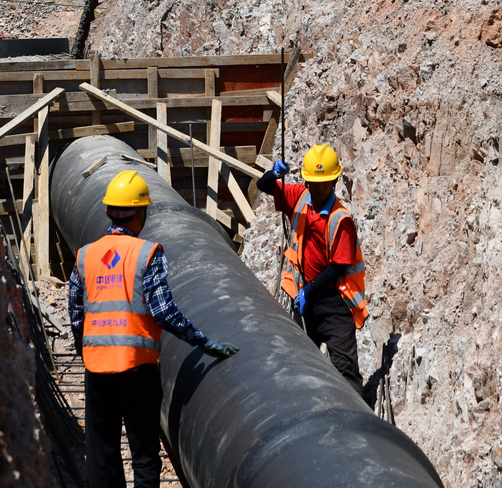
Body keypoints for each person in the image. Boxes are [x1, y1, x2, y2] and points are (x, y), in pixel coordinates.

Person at [68, 170, 239, 488]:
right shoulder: (148, 255)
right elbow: (164, 312)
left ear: (107, 211)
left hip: (97, 371)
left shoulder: (85, 256)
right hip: (137, 370)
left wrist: (88, 351)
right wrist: (201, 341)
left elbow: (76, 314)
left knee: (102, 455)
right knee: (144, 456)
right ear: (142, 213)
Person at [256, 144, 368, 393]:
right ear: (306, 181)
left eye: (325, 184)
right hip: (304, 300)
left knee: (345, 372)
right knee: (298, 366)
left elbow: (338, 266)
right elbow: (263, 186)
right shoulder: (299, 197)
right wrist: (273, 174)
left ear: (335, 181)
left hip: (334, 303)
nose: (319, 189)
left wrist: (310, 291)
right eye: (314, 184)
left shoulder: (341, 219)